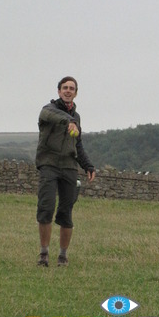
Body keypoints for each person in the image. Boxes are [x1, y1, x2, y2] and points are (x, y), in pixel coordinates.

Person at [35, 77, 96, 267]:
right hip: (49, 164)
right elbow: (50, 114)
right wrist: (69, 120)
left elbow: (78, 144)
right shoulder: (48, 110)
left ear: (76, 93)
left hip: (69, 166)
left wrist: (88, 165)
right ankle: (44, 254)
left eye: (71, 88)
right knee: (46, 207)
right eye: (65, 88)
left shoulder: (77, 117)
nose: (68, 91)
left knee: (66, 212)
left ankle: (63, 256)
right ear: (59, 91)